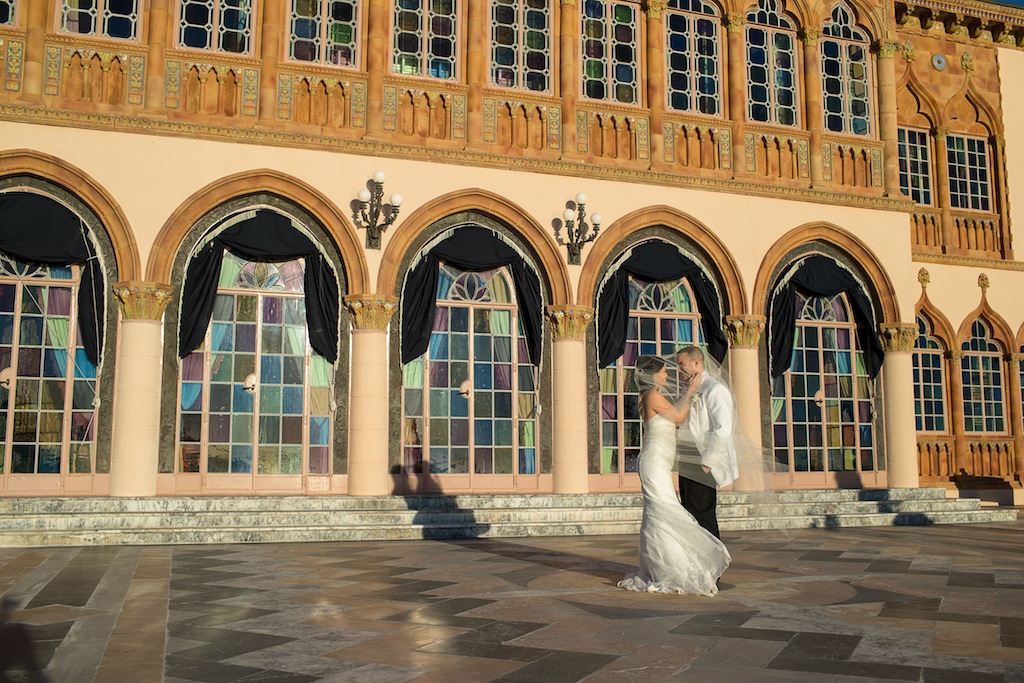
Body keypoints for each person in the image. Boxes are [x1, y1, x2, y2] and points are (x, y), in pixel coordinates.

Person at [618, 355, 730, 596]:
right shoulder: (651, 395)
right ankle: (672, 568)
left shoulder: (653, 396)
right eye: (664, 372)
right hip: (655, 462)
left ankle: (665, 565)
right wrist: (690, 391)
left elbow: (675, 412)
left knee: (661, 512)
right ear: (652, 374)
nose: (668, 375)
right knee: (665, 511)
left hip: (659, 461)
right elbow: (678, 416)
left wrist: (688, 395)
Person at [675, 345, 740, 540]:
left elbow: (723, 429)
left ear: (696, 363)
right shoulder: (691, 388)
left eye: (681, 365)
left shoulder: (715, 390)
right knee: (690, 512)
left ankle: (714, 562)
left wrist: (707, 462)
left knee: (703, 515)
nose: (678, 371)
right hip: (688, 459)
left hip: (702, 461)